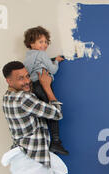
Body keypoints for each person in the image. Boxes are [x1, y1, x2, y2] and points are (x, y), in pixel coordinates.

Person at [23, 26, 69, 155]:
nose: (44, 44)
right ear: (31, 43)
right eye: (40, 41)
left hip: (34, 88)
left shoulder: (27, 58)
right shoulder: (42, 54)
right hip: (44, 85)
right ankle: (55, 142)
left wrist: (53, 59)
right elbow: (52, 70)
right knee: (53, 112)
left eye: (46, 42)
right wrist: (57, 63)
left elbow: (38, 65)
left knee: (43, 114)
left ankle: (47, 142)